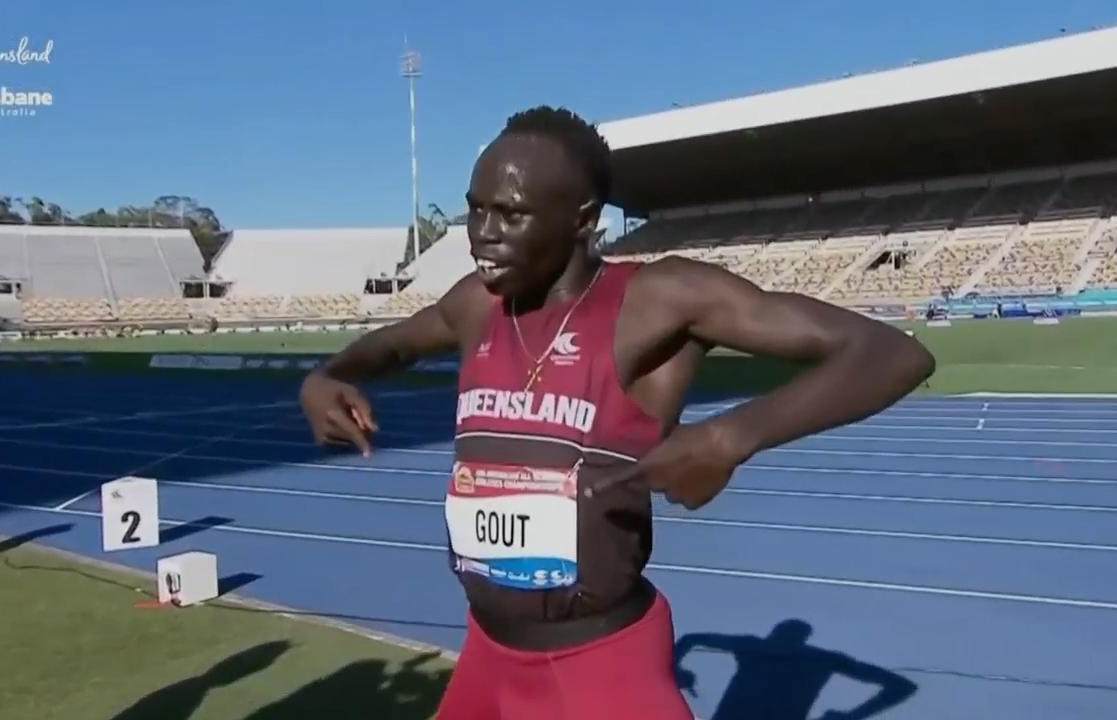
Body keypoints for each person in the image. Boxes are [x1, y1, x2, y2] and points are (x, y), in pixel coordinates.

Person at [299, 106, 936, 720]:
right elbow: (396, 342)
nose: (481, 235)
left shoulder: (660, 299)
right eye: (475, 209)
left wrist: (727, 435)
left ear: (583, 219)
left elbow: (891, 356)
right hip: (487, 657)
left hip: (599, 665)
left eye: (510, 214)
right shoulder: (478, 303)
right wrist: (330, 374)